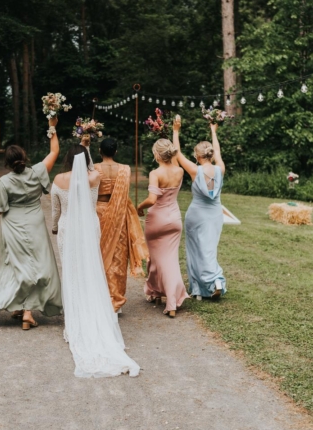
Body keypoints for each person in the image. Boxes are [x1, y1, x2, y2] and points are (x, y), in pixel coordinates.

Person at [53, 151, 140, 378]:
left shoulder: (59, 179)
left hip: (67, 228)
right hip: (90, 226)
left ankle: (73, 322)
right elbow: (92, 174)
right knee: (91, 270)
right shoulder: (94, 177)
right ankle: (93, 315)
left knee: (71, 272)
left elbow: (56, 209)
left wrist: (54, 226)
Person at [0, 116, 62, 330]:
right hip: (35, 223)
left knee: (17, 266)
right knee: (38, 264)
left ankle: (26, 310)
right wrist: (52, 127)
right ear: (24, 157)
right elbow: (54, 151)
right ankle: (23, 308)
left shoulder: (4, 182)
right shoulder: (37, 172)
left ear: (7, 164)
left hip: (13, 226)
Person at [172, 116, 226, 300]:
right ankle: (213, 282)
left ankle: (201, 288)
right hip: (215, 215)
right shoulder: (220, 168)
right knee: (210, 248)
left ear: (197, 156)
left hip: (197, 215)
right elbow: (218, 151)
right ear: (210, 154)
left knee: (195, 249)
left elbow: (177, 153)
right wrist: (213, 131)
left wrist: (176, 131)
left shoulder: (195, 170)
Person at [94, 138, 148, 312]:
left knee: (100, 254)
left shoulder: (93, 168)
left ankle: (101, 298)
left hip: (99, 212)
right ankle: (115, 298)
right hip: (119, 214)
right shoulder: (125, 169)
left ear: (100, 151)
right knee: (118, 257)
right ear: (116, 151)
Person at [137, 139, 188, 318]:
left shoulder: (155, 173)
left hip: (157, 220)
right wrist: (175, 132)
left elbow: (152, 199)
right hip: (174, 220)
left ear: (157, 155)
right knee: (167, 259)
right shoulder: (179, 171)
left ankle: (169, 301)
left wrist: (139, 207)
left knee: (157, 259)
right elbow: (175, 161)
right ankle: (156, 291)